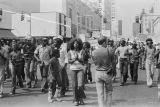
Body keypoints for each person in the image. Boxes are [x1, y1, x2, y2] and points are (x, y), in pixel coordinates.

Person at [92, 36, 114, 107]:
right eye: (107, 41)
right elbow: (113, 62)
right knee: (109, 92)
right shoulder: (109, 50)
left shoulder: (94, 52)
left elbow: (94, 63)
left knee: (100, 93)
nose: (107, 43)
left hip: (98, 72)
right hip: (107, 72)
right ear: (104, 42)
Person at [68, 38, 86, 106]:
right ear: (72, 44)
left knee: (80, 85)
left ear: (79, 44)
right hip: (73, 70)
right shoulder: (70, 52)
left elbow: (83, 61)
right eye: (75, 43)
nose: (76, 44)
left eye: (77, 43)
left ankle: (81, 98)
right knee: (74, 86)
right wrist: (74, 60)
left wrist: (78, 59)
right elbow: (69, 61)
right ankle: (76, 100)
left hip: (80, 69)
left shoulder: (82, 51)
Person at [48, 38, 63, 103]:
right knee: (51, 85)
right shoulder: (52, 60)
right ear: (55, 54)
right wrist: (52, 75)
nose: (59, 54)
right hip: (52, 74)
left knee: (59, 84)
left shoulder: (56, 59)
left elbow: (58, 66)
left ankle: (56, 96)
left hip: (57, 73)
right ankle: (50, 97)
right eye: (58, 53)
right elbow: (50, 68)